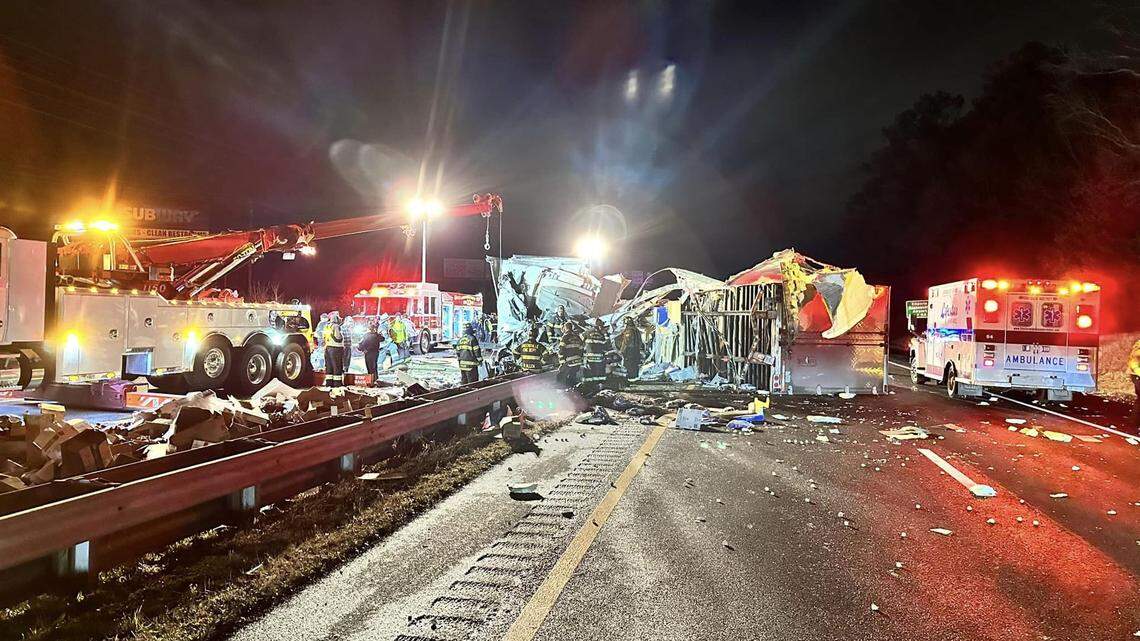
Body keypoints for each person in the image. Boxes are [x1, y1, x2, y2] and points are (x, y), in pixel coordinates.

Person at [616, 316, 645, 382]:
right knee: (635, 364)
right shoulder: (636, 330)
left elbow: (626, 342)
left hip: (630, 350)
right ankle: (635, 377)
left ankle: (630, 377)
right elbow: (640, 341)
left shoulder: (628, 331)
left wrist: (621, 350)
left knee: (629, 364)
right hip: (636, 350)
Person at [583, 319, 610, 386]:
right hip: (599, 356)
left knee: (591, 370)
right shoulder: (602, 334)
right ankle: (600, 384)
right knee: (600, 370)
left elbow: (581, 340)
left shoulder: (588, 332)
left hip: (589, 356)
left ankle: (590, 384)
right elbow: (607, 345)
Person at [322, 311, 345, 387]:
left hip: (328, 348)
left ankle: (329, 383)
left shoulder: (327, 326)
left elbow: (323, 337)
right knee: (337, 366)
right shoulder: (336, 326)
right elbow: (338, 338)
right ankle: (337, 384)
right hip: (336, 348)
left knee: (329, 366)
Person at [1129, 338, 1140, 428]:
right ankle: (1134, 422)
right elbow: (1134, 363)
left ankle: (1134, 421)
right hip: (1137, 375)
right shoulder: (1138, 349)